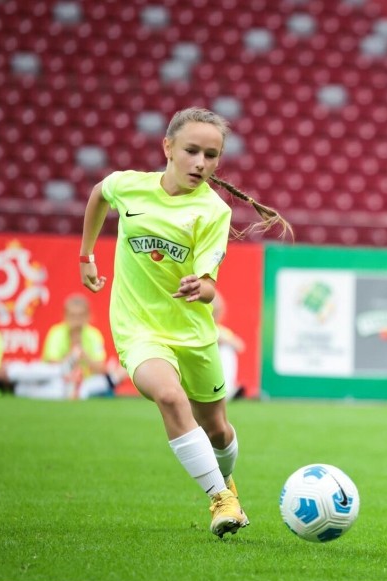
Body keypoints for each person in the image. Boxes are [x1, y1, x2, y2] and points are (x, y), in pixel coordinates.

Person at [78, 107, 292, 538]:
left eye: (211, 155)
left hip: (193, 333)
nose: (201, 163)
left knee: (218, 429)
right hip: (138, 327)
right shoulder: (130, 186)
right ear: (168, 148)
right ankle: (220, 498)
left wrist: (201, 287)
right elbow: (100, 193)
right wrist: (86, 254)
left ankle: (226, 483)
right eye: (192, 151)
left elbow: (211, 285)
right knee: (171, 398)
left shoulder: (213, 211)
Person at [39, 293, 126, 399]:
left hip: (86, 382)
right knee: (45, 374)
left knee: (121, 372)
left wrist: (85, 356)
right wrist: (72, 357)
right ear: (65, 316)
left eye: (80, 316)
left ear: (88, 316)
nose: (76, 320)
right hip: (59, 380)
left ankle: (79, 391)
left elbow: (101, 368)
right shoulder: (56, 333)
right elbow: (52, 365)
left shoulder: (94, 335)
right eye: (72, 315)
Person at [212, 291, 247, 400]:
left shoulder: (221, 330)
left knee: (227, 349)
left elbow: (240, 346)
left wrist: (224, 339)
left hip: (213, 368)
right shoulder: (197, 327)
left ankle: (227, 388)